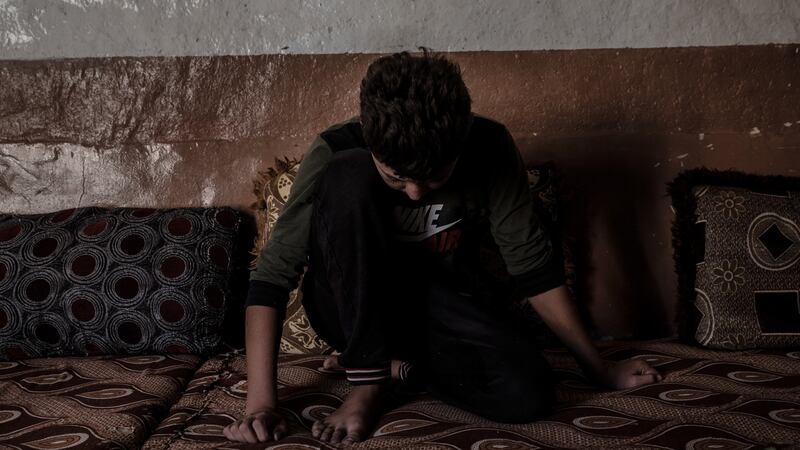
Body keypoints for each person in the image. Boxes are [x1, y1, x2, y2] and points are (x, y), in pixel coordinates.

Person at [223, 51, 662, 445]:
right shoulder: (341, 146)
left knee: (529, 393)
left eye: (434, 177)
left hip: (439, 308)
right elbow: (272, 278)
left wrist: (598, 370)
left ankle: (400, 370)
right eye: (396, 177)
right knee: (347, 172)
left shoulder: (488, 144)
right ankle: (367, 381)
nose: (414, 193)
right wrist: (260, 405)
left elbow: (534, 269)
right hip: (347, 304)